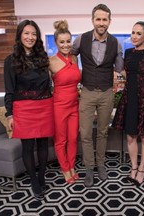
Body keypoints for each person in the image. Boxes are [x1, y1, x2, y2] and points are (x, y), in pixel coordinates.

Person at [71, 4, 124, 187]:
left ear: (109, 21)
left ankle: (100, 164)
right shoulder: (81, 39)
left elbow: (119, 68)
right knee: (85, 133)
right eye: (98, 19)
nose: (101, 23)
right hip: (86, 92)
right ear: (93, 20)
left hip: (107, 93)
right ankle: (89, 168)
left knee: (102, 132)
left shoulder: (116, 43)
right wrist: (73, 76)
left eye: (104, 19)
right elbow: (70, 57)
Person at [4, 20, 54, 201]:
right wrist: (10, 113)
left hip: (44, 105)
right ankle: (34, 181)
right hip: (23, 108)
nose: (30, 37)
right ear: (19, 35)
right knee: (27, 146)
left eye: (33, 34)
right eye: (26, 33)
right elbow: (9, 89)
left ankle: (41, 177)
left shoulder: (43, 58)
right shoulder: (10, 60)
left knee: (42, 145)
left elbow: (49, 84)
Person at [112, 21, 144, 186]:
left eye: (139, 33)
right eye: (133, 32)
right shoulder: (128, 52)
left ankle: (142, 170)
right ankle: (133, 168)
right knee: (131, 135)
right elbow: (124, 74)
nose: (134, 36)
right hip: (129, 97)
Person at [49, 20, 81, 184]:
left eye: (68, 41)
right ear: (56, 43)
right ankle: (65, 169)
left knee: (73, 138)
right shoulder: (51, 61)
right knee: (61, 140)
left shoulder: (75, 59)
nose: (66, 45)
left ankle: (72, 166)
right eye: (62, 42)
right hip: (59, 106)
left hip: (74, 106)